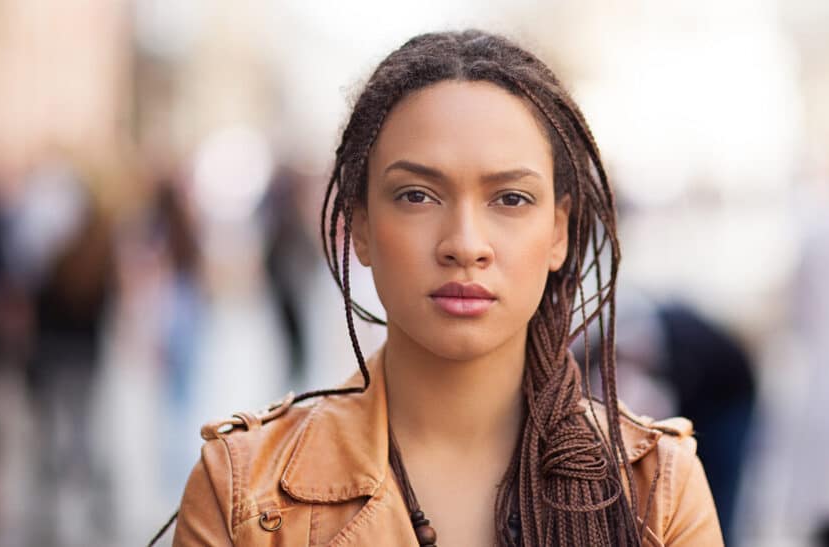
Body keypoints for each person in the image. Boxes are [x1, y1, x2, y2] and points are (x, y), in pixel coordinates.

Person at [163, 30, 721, 546]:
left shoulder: (659, 488)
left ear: (559, 232)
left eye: (510, 199)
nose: (465, 244)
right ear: (360, 226)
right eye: (417, 195)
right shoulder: (242, 490)